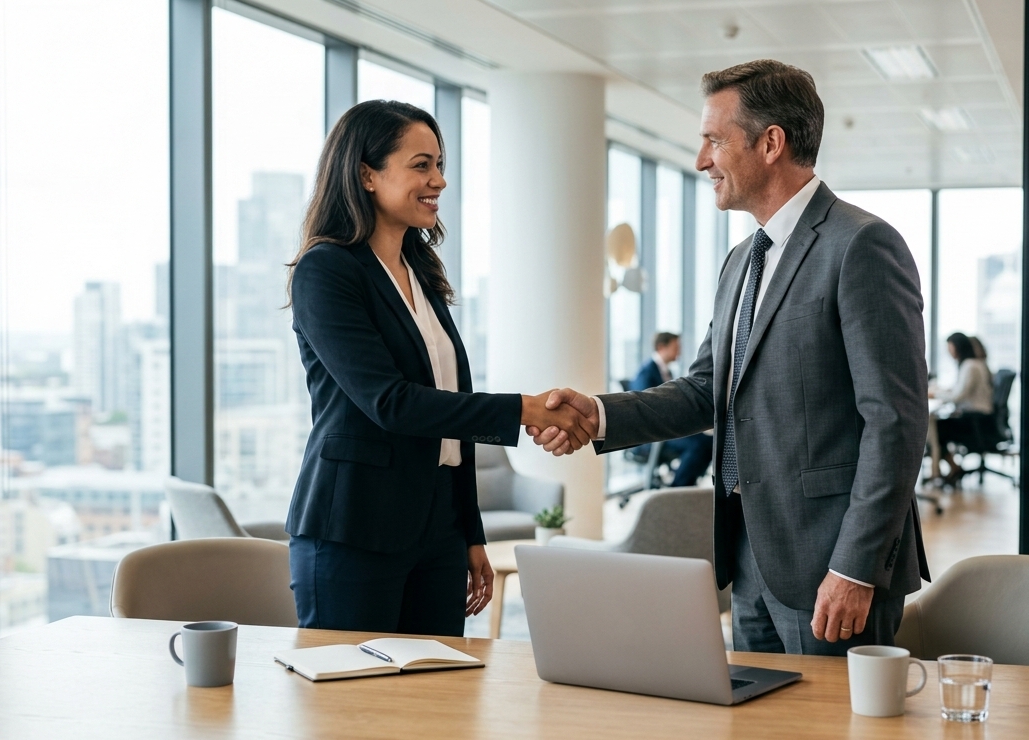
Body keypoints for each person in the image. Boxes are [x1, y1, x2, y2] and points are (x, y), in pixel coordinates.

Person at [532, 60, 930, 656]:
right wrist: (597, 413)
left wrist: (855, 567)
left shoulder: (861, 246)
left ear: (771, 143)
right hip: (749, 559)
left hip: (831, 566)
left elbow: (895, 424)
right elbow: (704, 390)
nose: (701, 160)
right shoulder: (742, 260)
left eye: (714, 140)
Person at [284, 100, 593, 636]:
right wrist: (522, 408)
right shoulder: (326, 270)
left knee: (440, 705)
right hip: (354, 528)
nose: (440, 181)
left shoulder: (419, 274)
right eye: (422, 165)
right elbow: (391, 403)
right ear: (366, 174)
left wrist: (468, 533)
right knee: (355, 709)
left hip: (436, 533)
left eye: (441, 165)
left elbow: (450, 417)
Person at [627, 333, 714, 487]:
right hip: (652, 437)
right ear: (662, 347)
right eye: (676, 348)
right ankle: (678, 489)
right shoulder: (647, 372)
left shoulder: (666, 372)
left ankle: (686, 483)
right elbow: (643, 409)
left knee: (708, 440)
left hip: (666, 432)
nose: (679, 352)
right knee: (699, 445)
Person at [930, 332, 994, 487]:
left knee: (936, 429)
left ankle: (950, 469)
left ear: (958, 347)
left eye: (950, 347)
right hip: (977, 417)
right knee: (938, 425)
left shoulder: (970, 366)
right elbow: (959, 391)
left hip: (976, 420)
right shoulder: (973, 364)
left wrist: (934, 393)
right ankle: (951, 468)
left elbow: (958, 396)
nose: (949, 351)